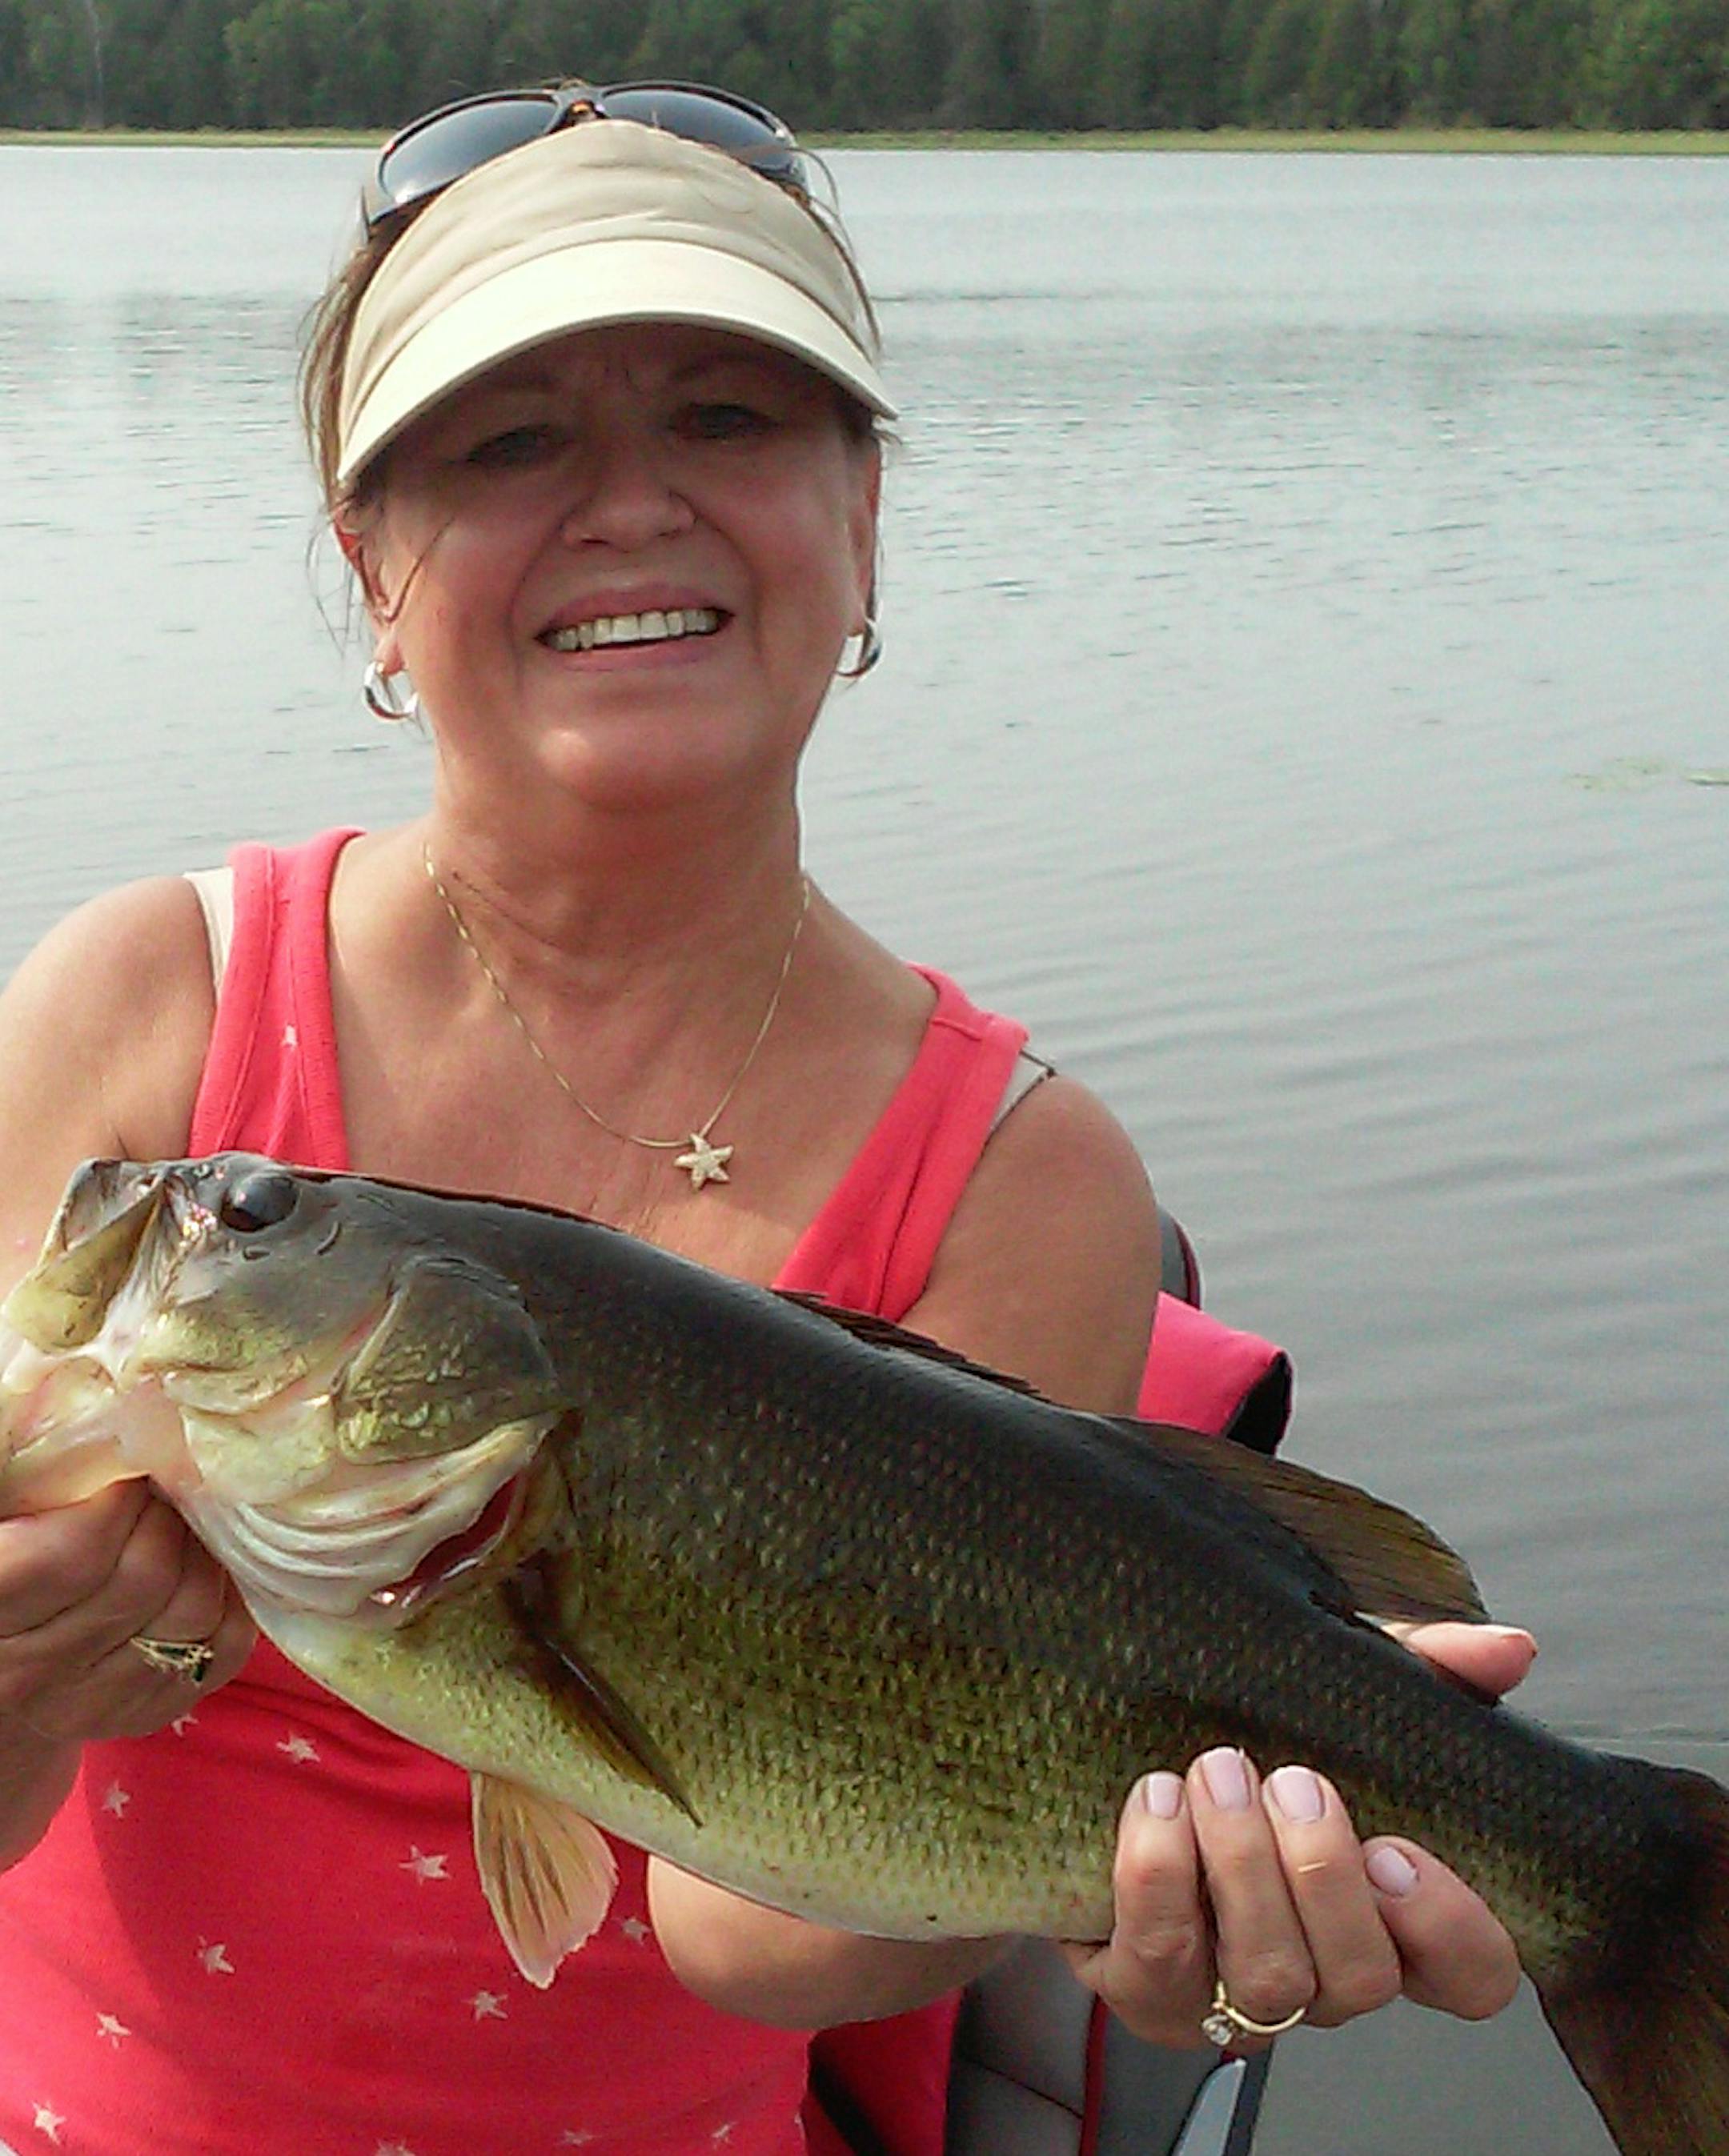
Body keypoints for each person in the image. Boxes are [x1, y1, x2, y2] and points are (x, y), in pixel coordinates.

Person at [0, 83, 1531, 2155]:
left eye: (728, 418)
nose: (630, 502)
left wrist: (1112, 1872)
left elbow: (746, 1929)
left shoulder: (1025, 1178)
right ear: (369, 564)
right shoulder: (144, 1013)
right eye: (513, 440)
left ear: (865, 518)